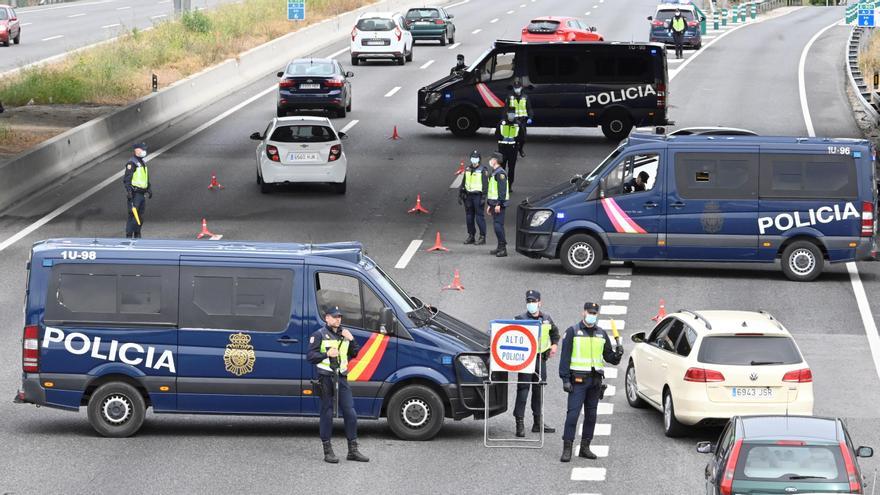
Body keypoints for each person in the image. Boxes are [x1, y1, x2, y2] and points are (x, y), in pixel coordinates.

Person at [559, 302, 623, 462]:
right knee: (572, 415)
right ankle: (567, 448)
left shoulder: (601, 333)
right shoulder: (573, 331)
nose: (592, 315)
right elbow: (565, 358)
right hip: (578, 381)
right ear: (584, 312)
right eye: (590, 312)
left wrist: (618, 354)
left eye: (595, 313)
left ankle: (585, 447)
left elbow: (609, 358)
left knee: (591, 416)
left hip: (595, 382)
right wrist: (565, 379)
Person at [306, 306, 369, 464]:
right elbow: (310, 356)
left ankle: (352, 450)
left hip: (341, 377)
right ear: (327, 318)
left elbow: (354, 353)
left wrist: (352, 339)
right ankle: (327, 450)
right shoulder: (319, 334)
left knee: (350, 413)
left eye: (339, 316)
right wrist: (326, 354)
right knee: (327, 413)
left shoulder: (344, 334)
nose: (338, 319)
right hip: (326, 378)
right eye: (334, 317)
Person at [512, 289, 560, 437]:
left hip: (540, 359)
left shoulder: (546, 318)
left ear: (540, 302)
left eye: (533, 301)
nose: (531, 304)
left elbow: (555, 333)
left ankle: (537, 423)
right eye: (529, 301)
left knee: (539, 391)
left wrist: (554, 345)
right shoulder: (520, 319)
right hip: (526, 360)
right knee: (523, 390)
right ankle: (519, 423)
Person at [458, 150, 489, 245]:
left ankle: (482, 237)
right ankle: (471, 236)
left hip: (478, 196)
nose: (474, 160)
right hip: (468, 196)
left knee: (479, 217)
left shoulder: (483, 170)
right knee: (469, 217)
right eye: (472, 158)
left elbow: (485, 185)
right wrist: (460, 194)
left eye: (476, 158)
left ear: (479, 159)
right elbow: (464, 182)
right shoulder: (468, 169)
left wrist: (484, 197)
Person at [123, 142, 152, 239]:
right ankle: (129, 235)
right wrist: (129, 192)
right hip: (135, 194)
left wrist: (148, 188)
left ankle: (137, 234)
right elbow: (127, 179)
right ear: (137, 150)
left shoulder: (142, 162)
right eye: (142, 149)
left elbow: (145, 177)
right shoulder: (132, 163)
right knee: (133, 215)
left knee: (140, 216)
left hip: (142, 194)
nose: (144, 151)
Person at [486, 152, 509, 257]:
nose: (490, 160)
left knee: (498, 226)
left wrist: (499, 204)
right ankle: (500, 247)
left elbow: (502, 191)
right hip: (494, 203)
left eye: (491, 159)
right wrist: (490, 205)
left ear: (495, 160)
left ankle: (503, 248)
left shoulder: (500, 173)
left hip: (499, 204)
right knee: (497, 226)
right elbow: (492, 191)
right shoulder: (495, 172)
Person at [506, 79, 532, 157]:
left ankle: (520, 149)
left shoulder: (525, 97)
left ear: (521, 88)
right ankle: (512, 152)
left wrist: (530, 117)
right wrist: (504, 119)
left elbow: (529, 108)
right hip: (512, 120)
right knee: (512, 138)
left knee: (523, 138)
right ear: (513, 88)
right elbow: (506, 109)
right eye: (515, 87)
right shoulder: (510, 97)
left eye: (518, 87)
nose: (517, 89)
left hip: (522, 120)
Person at [495, 113, 520, 190]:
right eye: (510, 114)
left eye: (513, 114)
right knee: (501, 168)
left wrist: (518, 146)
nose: (511, 115)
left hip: (513, 150)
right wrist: (501, 140)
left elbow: (521, 137)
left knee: (511, 169)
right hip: (503, 149)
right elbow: (497, 134)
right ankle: (501, 184)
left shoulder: (518, 124)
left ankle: (509, 186)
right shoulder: (502, 123)